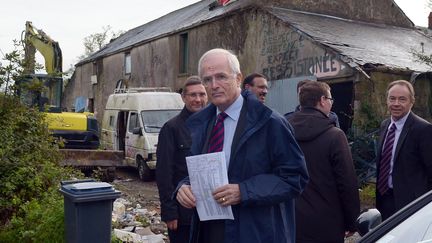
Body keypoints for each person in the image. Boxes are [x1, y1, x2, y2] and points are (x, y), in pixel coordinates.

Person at [175, 48, 309, 243]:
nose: (214, 85)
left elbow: (295, 178)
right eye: (207, 79)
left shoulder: (270, 122)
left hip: (256, 232)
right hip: (210, 231)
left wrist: (243, 191)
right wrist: (184, 186)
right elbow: (202, 170)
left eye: (221, 76)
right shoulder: (202, 124)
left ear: (238, 79)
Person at [286, 81, 360, 243]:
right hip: (326, 221)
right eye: (330, 99)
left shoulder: (283, 130)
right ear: (322, 100)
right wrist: (352, 221)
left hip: (289, 219)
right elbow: (346, 182)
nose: (331, 103)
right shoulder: (335, 136)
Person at [156, 76, 208, 243]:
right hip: (183, 214)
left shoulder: (215, 125)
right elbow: (164, 174)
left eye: (202, 94)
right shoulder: (172, 128)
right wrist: (169, 212)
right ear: (184, 97)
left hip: (210, 211)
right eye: (193, 95)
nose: (198, 99)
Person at [375, 80, 432, 220]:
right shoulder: (385, 125)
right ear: (386, 100)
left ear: (412, 102)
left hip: (410, 205)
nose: (396, 103)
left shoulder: (423, 129)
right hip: (384, 198)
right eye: (392, 98)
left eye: (402, 99)